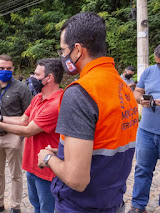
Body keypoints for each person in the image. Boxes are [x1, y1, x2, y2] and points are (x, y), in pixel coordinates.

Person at [37, 12, 138, 212]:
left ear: (77, 50)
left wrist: (48, 159)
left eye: (63, 50)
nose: (63, 56)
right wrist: (67, 152)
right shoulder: (123, 88)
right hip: (112, 201)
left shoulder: (80, 93)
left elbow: (77, 179)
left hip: (79, 206)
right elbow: (106, 139)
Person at [0, 58, 63, 213]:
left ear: (49, 78)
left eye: (36, 74)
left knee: (47, 208)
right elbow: (23, 119)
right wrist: (0, 118)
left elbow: (28, 130)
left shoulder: (55, 104)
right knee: (36, 205)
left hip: (47, 168)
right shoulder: (39, 98)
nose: (32, 77)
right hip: (32, 165)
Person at [0, 54, 32, 213]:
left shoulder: (22, 88)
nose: (5, 71)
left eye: (8, 68)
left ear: (13, 69)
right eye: (2, 68)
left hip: (13, 137)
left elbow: (28, 115)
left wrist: (20, 137)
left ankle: (15, 206)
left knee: (16, 175)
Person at [129, 45, 160, 213]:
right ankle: (138, 205)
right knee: (142, 169)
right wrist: (142, 100)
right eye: (157, 63)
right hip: (146, 131)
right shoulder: (149, 71)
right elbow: (137, 92)